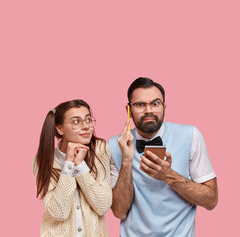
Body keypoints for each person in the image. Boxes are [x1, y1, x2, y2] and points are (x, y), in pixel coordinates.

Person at [109, 77, 218, 237]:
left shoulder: (191, 135)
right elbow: (119, 212)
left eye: (155, 103)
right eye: (140, 104)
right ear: (128, 110)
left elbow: (211, 201)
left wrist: (169, 176)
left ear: (164, 107)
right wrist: (127, 161)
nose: (149, 110)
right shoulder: (113, 145)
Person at [32, 99, 112, 237]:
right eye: (76, 121)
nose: (86, 126)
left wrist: (80, 166)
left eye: (88, 120)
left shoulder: (100, 150)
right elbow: (59, 212)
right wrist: (68, 165)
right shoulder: (43, 160)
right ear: (60, 128)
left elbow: (103, 205)